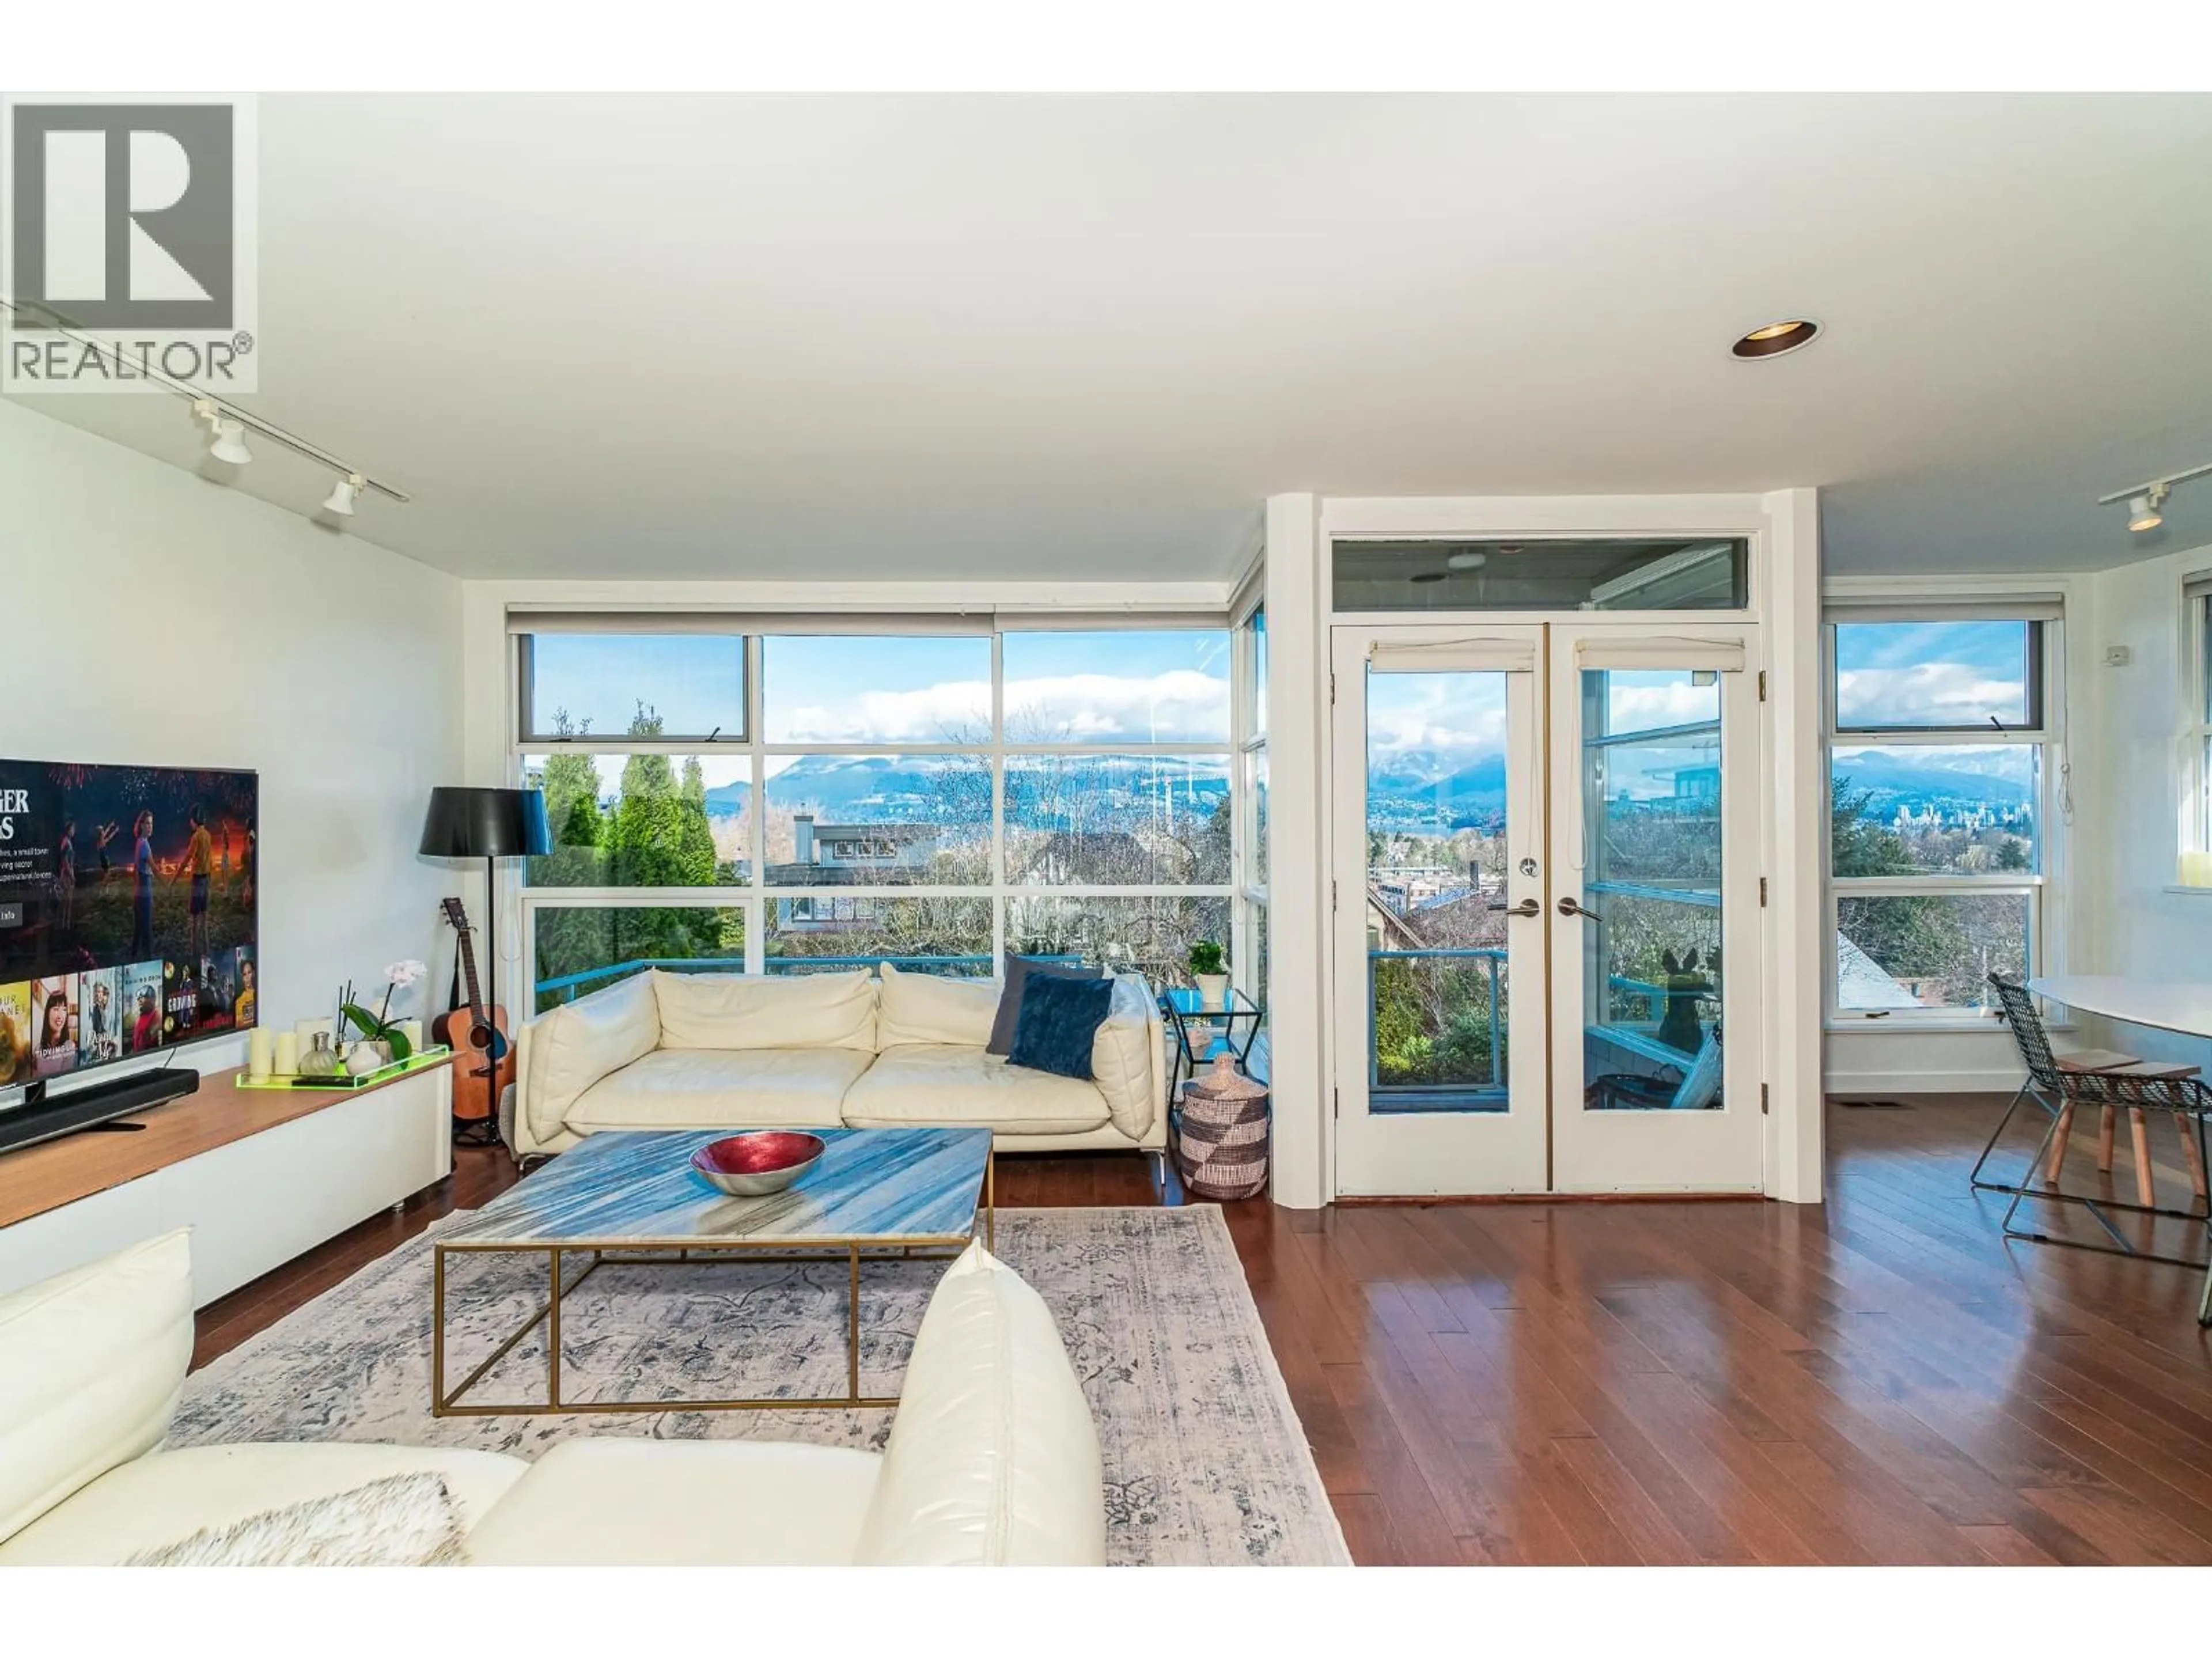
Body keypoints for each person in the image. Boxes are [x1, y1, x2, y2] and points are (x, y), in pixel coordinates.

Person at [180, 806, 215, 961]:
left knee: (194, 920)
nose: (189, 823)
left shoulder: (196, 837)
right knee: (205, 919)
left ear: (194, 820)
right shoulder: (208, 835)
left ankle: (194, 955)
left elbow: (187, 859)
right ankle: (207, 953)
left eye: (190, 820)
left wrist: (174, 879)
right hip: (207, 879)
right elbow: (210, 860)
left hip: (198, 880)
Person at [130, 811, 156, 957]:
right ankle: (150, 959)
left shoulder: (140, 842)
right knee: (146, 929)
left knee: (139, 928)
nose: (150, 827)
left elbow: (136, 869)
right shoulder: (144, 845)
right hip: (145, 886)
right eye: (147, 823)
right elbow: (154, 869)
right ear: (141, 825)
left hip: (141, 887)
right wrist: (168, 884)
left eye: (152, 823)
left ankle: (134, 956)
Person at [36, 990, 74, 1077]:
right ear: (48, 1013)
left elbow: (65, 1081)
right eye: (56, 1009)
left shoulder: (69, 1047)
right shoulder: (38, 1048)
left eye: (64, 1010)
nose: (60, 1016)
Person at [55, 820, 77, 932]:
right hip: (66, 875)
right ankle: (64, 928)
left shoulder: (68, 842)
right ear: (68, 830)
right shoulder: (66, 842)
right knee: (66, 902)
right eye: (73, 829)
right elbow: (64, 860)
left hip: (68, 873)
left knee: (67, 903)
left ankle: (65, 927)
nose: (74, 831)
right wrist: (71, 875)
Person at [131, 985, 161, 1053]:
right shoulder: (140, 1018)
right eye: (138, 999)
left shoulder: (156, 1016)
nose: (139, 1001)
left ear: (152, 999)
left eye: (143, 998)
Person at [234, 957, 257, 1027]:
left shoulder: (262, 994)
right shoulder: (240, 1001)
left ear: (254, 973)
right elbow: (239, 1027)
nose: (247, 977)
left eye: (249, 973)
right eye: (244, 974)